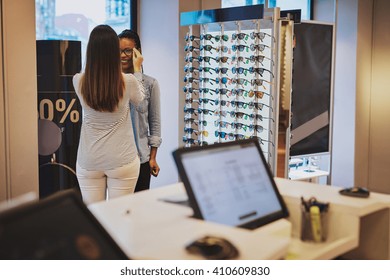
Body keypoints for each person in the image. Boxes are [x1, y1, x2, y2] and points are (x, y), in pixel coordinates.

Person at [73, 25, 145, 204]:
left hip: (89, 161)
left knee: (94, 217)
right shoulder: (128, 81)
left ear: (91, 51)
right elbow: (141, 101)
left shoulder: (78, 80)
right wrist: (137, 70)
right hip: (122, 160)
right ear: (114, 51)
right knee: (120, 218)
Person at [118, 29, 162, 192]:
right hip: (117, 161)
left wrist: (153, 158)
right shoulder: (112, 85)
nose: (122, 55)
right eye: (119, 51)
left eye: (127, 51)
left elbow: (155, 124)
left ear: (138, 53)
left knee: (140, 210)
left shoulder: (150, 84)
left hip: (141, 159)